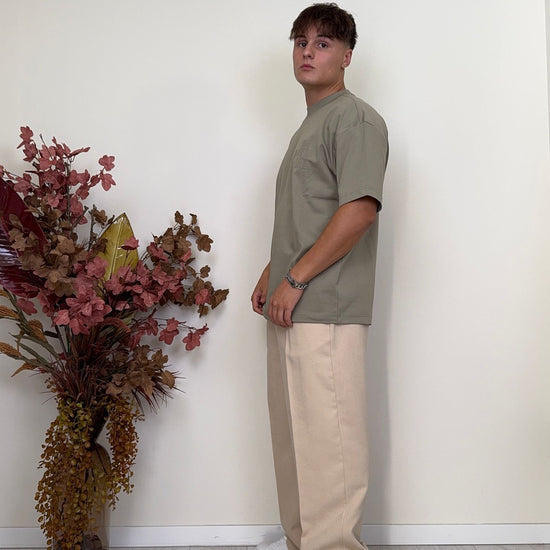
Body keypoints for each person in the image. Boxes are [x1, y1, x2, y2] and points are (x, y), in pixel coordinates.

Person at [251, 3, 389, 550]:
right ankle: (301, 543)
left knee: (329, 445)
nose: (308, 51)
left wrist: (297, 279)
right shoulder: (310, 126)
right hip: (292, 303)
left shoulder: (354, 120)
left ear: (347, 56)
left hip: (325, 305)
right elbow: (309, 217)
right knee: (295, 441)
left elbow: (358, 211)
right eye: (301, 41)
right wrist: (274, 272)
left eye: (323, 43)